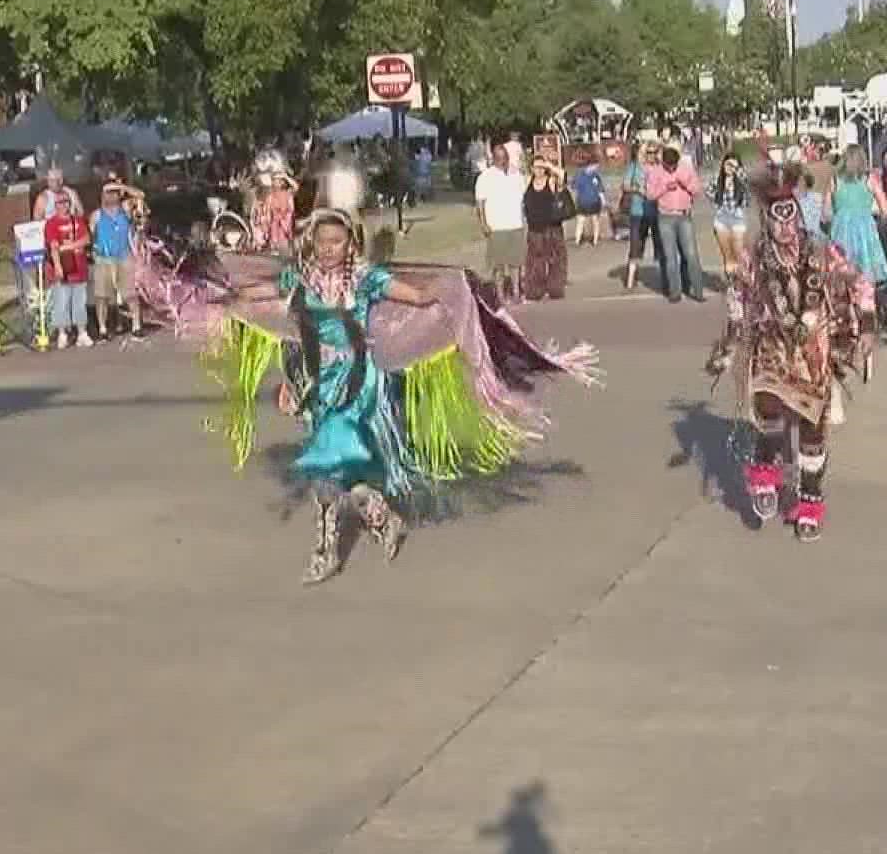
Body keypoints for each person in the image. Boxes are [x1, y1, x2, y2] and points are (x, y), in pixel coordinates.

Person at [203, 208, 600, 585]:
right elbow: (269, 300)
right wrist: (226, 294)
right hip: (317, 382)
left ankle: (326, 552)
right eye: (322, 241)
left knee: (327, 466)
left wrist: (451, 290)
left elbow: (415, 297)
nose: (328, 248)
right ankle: (379, 517)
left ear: (350, 245)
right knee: (340, 467)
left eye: (336, 241)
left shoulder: (366, 279)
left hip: (358, 382)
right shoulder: (300, 279)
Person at [706, 164, 874, 543]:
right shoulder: (756, 256)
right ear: (766, 221)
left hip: (814, 351)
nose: (785, 228)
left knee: (813, 429)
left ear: (798, 217)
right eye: (776, 220)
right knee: (769, 412)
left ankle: (809, 502)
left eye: (790, 218)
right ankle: (765, 476)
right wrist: (729, 344)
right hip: (771, 346)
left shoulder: (822, 250)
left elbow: (859, 282)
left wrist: (865, 326)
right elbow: (738, 297)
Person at [827, 144, 887, 290]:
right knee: (867, 271)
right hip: (865, 230)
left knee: (841, 269)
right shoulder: (870, 179)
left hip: (840, 229)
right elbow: (885, 210)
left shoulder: (835, 180)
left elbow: (826, 212)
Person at [647, 146, 705, 303]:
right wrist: (664, 188)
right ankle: (675, 292)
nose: (671, 169)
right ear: (663, 162)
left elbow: (698, 191)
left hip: (684, 215)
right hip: (665, 217)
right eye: (668, 166)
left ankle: (698, 290)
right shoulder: (656, 172)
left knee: (691, 254)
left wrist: (685, 183)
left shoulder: (686, 169)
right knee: (670, 256)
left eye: (674, 165)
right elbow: (650, 195)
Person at [474, 144, 528, 303]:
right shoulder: (485, 177)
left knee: (516, 262)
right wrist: (483, 223)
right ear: (494, 159)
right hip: (496, 226)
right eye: (500, 158)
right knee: (498, 265)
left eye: (505, 158)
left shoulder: (516, 174)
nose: (503, 161)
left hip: (515, 224)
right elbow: (480, 204)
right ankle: (499, 294)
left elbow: (523, 198)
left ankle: (516, 292)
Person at [90, 184, 141, 340]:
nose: (110, 196)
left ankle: (136, 325)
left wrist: (120, 186)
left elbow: (140, 195)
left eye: (113, 193)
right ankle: (103, 328)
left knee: (130, 294)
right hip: (104, 258)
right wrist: (96, 254)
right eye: (107, 193)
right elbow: (92, 236)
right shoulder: (97, 215)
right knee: (102, 296)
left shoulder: (124, 210)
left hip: (124, 256)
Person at [43, 192, 92, 349]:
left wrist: (69, 246)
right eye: (59, 202)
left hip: (79, 267)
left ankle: (82, 333)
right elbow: (54, 246)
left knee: (80, 302)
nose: (63, 205)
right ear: (55, 206)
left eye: (66, 202)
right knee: (62, 302)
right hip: (64, 267)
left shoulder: (78, 220)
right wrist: (57, 266)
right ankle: (62, 333)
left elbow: (86, 239)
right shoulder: (51, 224)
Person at [522, 159, 573, 301]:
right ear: (531, 168)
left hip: (552, 228)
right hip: (534, 228)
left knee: (556, 259)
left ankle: (555, 288)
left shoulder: (551, 181)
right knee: (535, 261)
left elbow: (562, 175)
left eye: (541, 167)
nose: (538, 170)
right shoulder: (528, 182)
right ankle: (535, 290)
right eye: (535, 167)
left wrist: (549, 165)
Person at [622, 143, 661, 291]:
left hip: (657, 212)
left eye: (653, 152)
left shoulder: (660, 167)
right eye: (648, 153)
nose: (651, 155)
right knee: (635, 245)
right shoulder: (635, 167)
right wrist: (638, 189)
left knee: (660, 246)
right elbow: (625, 185)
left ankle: (663, 277)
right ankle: (631, 279)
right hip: (637, 211)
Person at [708, 154, 750, 283]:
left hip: (737, 218)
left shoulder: (742, 179)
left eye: (733, 165)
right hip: (721, 218)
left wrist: (739, 178)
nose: (729, 167)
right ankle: (732, 285)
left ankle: (740, 284)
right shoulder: (717, 178)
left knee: (739, 254)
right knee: (728, 257)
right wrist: (720, 189)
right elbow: (709, 194)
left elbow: (747, 201)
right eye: (727, 164)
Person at [570, 158, 606, 246]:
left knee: (595, 220)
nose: (596, 168)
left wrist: (603, 200)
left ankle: (595, 240)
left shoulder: (596, 176)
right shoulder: (579, 175)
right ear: (590, 165)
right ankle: (577, 240)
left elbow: (600, 189)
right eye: (595, 166)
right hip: (582, 201)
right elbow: (573, 187)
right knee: (581, 221)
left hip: (594, 201)